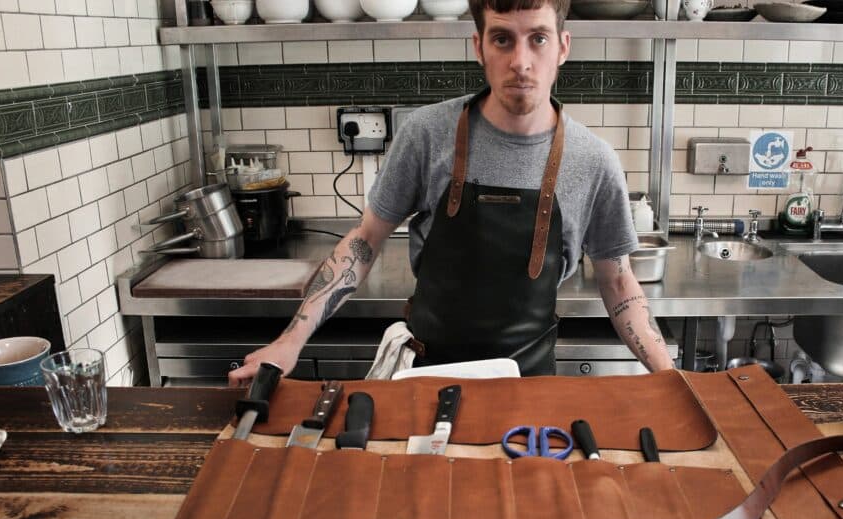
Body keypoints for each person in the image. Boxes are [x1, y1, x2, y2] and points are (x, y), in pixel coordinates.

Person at [228, 0, 673, 385]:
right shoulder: (426, 134)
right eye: (502, 39)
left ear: (563, 47)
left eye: (537, 38)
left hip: (528, 384)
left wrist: (668, 376)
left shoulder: (593, 160)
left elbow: (617, 280)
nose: (521, 61)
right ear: (479, 46)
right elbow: (365, 241)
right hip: (427, 376)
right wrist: (289, 343)